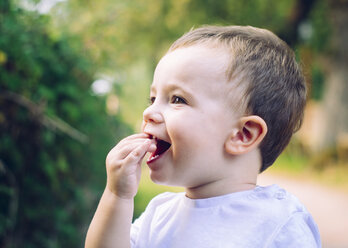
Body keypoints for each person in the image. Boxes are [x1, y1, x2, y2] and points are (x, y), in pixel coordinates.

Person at [85, 25, 321, 248]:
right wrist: (117, 196)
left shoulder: (279, 225)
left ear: (242, 135)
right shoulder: (158, 215)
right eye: (153, 98)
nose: (149, 112)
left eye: (177, 99)